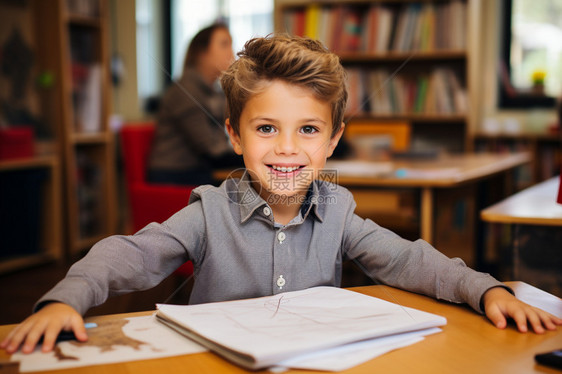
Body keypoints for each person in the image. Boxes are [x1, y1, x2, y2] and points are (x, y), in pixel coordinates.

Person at [2, 35, 560, 355]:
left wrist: (485, 290)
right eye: (266, 128)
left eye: (309, 130)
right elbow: (128, 254)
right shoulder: (208, 211)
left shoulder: (340, 213)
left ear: (334, 139)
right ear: (234, 136)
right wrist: (64, 298)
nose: (287, 149)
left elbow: (410, 259)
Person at [147, 23, 242, 185]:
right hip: (174, 175)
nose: (232, 53)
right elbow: (210, 152)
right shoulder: (185, 91)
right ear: (202, 52)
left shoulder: (214, 91)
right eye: (224, 44)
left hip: (197, 170)